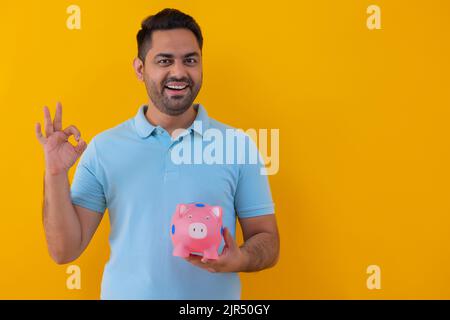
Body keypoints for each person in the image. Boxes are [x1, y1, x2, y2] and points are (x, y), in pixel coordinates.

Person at [35, 8, 279, 300]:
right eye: (164, 61)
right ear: (140, 69)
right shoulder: (104, 148)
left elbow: (267, 239)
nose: (178, 72)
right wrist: (55, 174)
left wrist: (241, 259)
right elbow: (64, 250)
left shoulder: (237, 145)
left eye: (190, 60)